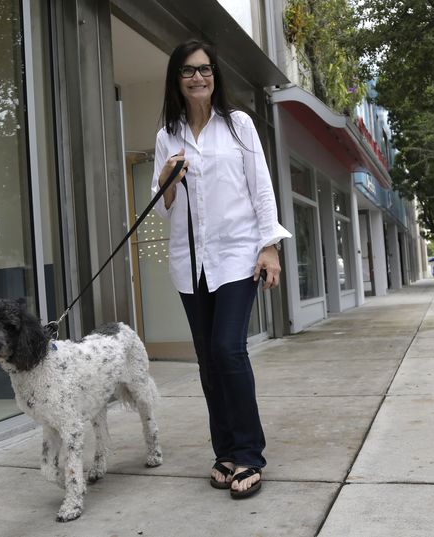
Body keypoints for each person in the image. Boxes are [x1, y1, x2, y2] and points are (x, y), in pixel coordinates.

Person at [151, 39, 291, 499]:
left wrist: (269, 245)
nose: (198, 77)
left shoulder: (238, 126)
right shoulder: (166, 136)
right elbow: (164, 209)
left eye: (206, 69)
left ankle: (250, 453)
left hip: (237, 256)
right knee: (209, 360)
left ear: (216, 76)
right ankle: (225, 451)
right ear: (177, 79)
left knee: (229, 350)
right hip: (190, 261)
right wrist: (168, 181)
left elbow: (261, 188)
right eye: (189, 71)